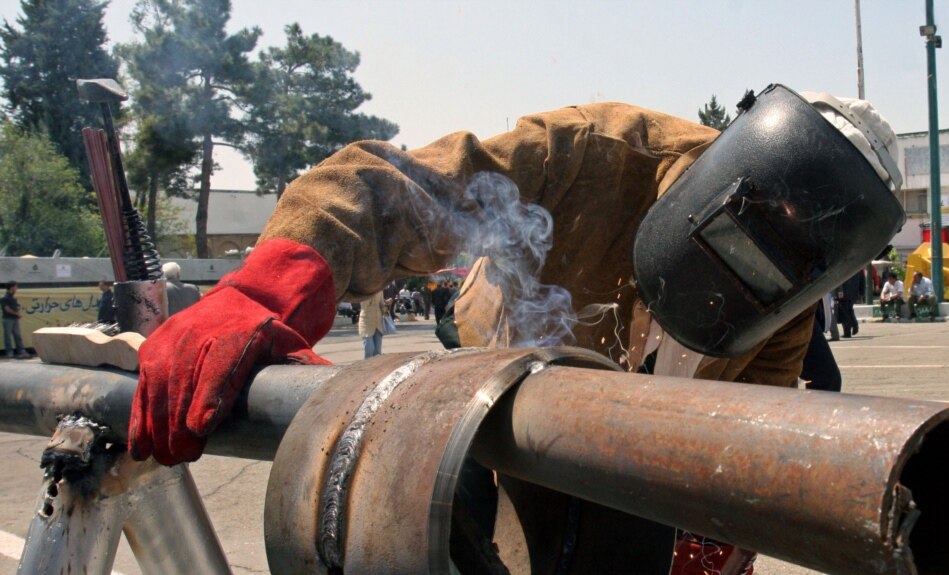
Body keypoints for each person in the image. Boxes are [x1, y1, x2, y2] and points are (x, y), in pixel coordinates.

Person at [128, 86, 904, 574]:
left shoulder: (792, 298)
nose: (766, 252)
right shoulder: (598, 149)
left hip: (626, 411)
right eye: (760, 221)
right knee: (454, 487)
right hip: (499, 349)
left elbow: (753, 420)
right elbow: (399, 181)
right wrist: (272, 284)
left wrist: (724, 529)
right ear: (740, 168)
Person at [1, 281, 30, 359]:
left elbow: (16, 307)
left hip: (14, 319)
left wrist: (18, 312)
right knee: (8, 336)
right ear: (12, 288)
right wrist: (16, 314)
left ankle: (21, 351)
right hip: (7, 319)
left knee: (17, 335)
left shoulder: (13, 298)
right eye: (15, 287)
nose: (16, 289)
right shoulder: (4, 298)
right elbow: (7, 309)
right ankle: (9, 352)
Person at [357, 291, 388, 358]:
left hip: (378, 323)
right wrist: (371, 292)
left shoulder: (380, 290)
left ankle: (376, 368)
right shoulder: (364, 289)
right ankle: (367, 366)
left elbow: (382, 305)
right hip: (366, 322)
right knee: (369, 349)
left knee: (377, 352)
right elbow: (365, 304)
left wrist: (387, 305)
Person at [836, 271, 865, 337]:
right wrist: (861, 292)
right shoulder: (858, 265)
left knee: (844, 312)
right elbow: (862, 279)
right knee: (849, 310)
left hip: (844, 292)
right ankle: (854, 325)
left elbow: (839, 278)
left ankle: (847, 332)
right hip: (854, 293)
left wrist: (840, 291)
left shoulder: (843, 265)